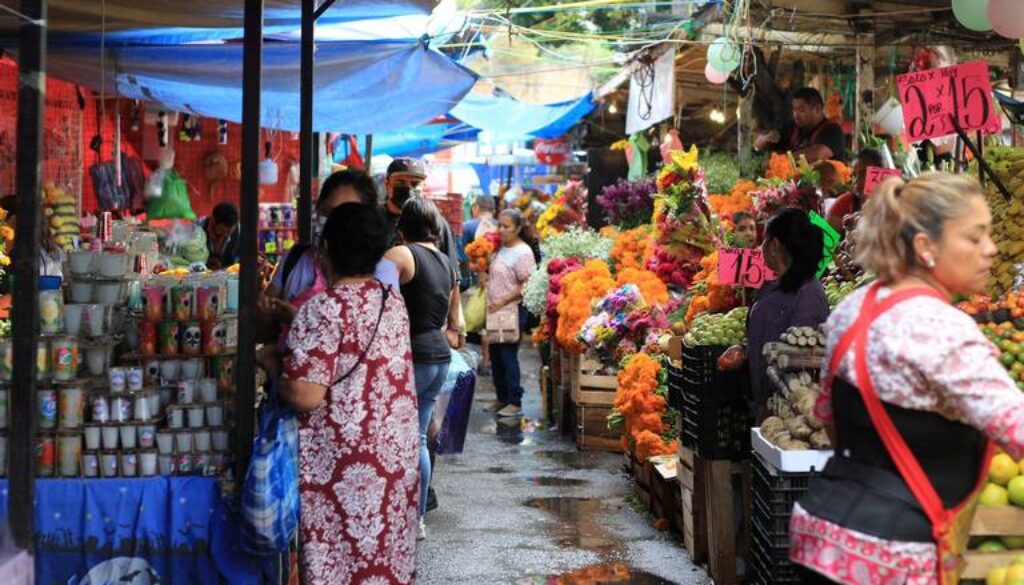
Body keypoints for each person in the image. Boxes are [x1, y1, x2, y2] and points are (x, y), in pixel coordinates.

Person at [790, 173, 1024, 585]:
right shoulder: (944, 329)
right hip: (892, 556)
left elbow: (828, 415)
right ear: (925, 246)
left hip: (821, 534)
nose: (991, 249)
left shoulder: (854, 307)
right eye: (974, 238)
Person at [279, 203, 419, 585]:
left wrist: (269, 365)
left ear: (325, 249)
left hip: (342, 466)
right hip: (392, 462)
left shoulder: (323, 307)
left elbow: (306, 394)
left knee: (339, 565)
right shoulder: (392, 302)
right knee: (385, 562)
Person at [384, 197, 459, 540]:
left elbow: (371, 294)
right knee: (417, 439)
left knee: (395, 439)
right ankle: (417, 519)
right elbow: (453, 322)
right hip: (439, 358)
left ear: (403, 226)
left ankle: (394, 516)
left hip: (410, 356)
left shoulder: (402, 254)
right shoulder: (446, 263)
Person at [259, 169, 399, 341]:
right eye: (328, 212)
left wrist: (299, 321)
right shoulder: (294, 258)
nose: (334, 222)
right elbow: (264, 333)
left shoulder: (382, 273)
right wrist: (263, 311)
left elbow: (373, 345)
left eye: (345, 215)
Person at [724, 209, 829, 417]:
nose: (760, 248)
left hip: (792, 412)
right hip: (764, 406)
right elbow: (770, 336)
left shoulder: (809, 293)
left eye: (764, 241)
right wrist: (745, 349)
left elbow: (804, 355)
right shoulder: (772, 288)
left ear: (774, 246)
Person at [484, 209, 538, 418]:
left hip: (511, 311)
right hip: (496, 310)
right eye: (500, 225)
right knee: (496, 357)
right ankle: (501, 398)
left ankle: (514, 401)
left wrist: (503, 300)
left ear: (517, 229)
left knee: (507, 356)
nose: (501, 230)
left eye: (506, 226)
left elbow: (528, 284)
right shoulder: (501, 248)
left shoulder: (523, 253)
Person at [754, 87, 848, 163]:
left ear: (817, 109)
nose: (796, 115)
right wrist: (767, 137)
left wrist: (783, 161)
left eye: (801, 110)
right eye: (794, 109)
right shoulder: (791, 127)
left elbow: (818, 154)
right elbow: (758, 145)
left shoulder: (833, 130)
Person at [825, 148, 885, 235]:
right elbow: (827, 242)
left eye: (863, 174)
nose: (856, 182)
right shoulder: (845, 202)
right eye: (854, 175)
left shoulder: (893, 206)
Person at [198, 202, 240, 269]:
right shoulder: (198, 228)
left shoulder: (239, 232)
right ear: (213, 221)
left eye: (229, 232)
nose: (226, 235)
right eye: (222, 231)